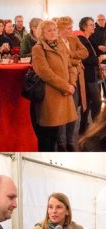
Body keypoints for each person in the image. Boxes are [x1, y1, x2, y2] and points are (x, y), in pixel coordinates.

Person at [32, 20, 78, 151]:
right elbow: (45, 73)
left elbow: (71, 66)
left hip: (65, 92)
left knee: (56, 131)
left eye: (54, 29)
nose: (52, 33)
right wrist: (66, 86)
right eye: (49, 30)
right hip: (50, 95)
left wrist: (72, 84)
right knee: (47, 135)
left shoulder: (61, 45)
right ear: (42, 33)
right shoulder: (38, 49)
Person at [56, 16, 88, 152]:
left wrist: (71, 55)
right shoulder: (55, 42)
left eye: (71, 27)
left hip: (75, 81)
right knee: (62, 113)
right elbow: (61, 60)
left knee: (74, 112)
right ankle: (61, 142)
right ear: (61, 30)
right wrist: (75, 61)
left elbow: (85, 53)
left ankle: (69, 141)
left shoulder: (74, 39)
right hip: (63, 81)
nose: (72, 30)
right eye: (69, 28)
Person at [77, 17, 106, 136]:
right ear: (84, 27)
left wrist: (100, 54)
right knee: (97, 102)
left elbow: (95, 52)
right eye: (90, 25)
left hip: (90, 74)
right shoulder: (81, 39)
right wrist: (99, 58)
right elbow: (87, 58)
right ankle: (96, 127)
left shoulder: (88, 39)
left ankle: (84, 127)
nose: (93, 26)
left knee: (88, 103)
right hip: (87, 75)